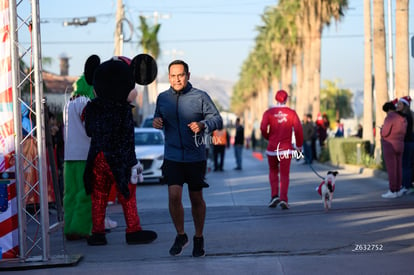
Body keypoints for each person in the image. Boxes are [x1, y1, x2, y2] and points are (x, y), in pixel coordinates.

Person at [83, 56, 157, 245]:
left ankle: (98, 233)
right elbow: (127, 140)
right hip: (118, 159)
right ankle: (133, 230)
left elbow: (89, 131)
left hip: (97, 156)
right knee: (127, 193)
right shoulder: (123, 111)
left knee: (98, 196)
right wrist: (133, 163)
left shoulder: (92, 108)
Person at [153, 59, 222, 257]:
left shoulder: (200, 96)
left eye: (181, 75)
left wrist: (203, 125)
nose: (177, 79)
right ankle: (181, 234)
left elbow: (217, 118)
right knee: (174, 196)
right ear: (169, 77)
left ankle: (198, 237)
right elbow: (159, 117)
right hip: (172, 155)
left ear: (188, 75)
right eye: (173, 76)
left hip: (195, 156)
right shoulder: (162, 98)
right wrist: (157, 121)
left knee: (195, 198)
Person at [260, 89, 303, 209]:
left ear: (275, 98)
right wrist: (299, 146)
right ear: (286, 99)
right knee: (284, 174)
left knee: (273, 172)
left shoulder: (268, 113)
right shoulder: (292, 113)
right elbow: (298, 130)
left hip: (272, 148)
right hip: (286, 149)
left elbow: (263, 128)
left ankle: (274, 196)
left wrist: (268, 137)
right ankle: (284, 198)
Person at [380, 101, 407, 199]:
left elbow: (385, 132)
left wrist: (381, 130)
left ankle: (392, 190)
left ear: (388, 110)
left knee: (392, 169)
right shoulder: (402, 118)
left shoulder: (390, 117)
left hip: (390, 145)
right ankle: (398, 189)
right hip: (400, 144)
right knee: (399, 168)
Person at [396, 96, 414, 195]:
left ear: (405, 106)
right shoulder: (409, 115)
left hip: (407, 143)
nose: (397, 106)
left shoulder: (405, 117)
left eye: (400, 104)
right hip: (410, 143)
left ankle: (406, 186)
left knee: (406, 165)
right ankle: (407, 185)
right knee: (408, 165)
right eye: (397, 104)